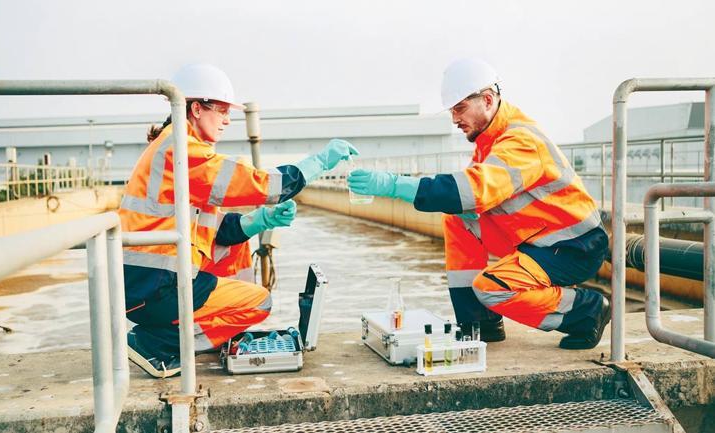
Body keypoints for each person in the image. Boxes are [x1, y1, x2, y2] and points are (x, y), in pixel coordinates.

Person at [348, 58, 610, 350]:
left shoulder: (519, 141)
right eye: (452, 110)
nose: (454, 119)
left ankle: (587, 310)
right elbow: (465, 200)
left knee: (492, 287)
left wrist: (394, 185)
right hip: (541, 239)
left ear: (487, 100)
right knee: (457, 218)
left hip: (573, 247)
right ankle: (480, 323)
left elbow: (470, 191)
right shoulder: (491, 139)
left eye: (459, 108)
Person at [120, 63, 358, 378]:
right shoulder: (181, 150)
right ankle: (158, 343)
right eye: (221, 111)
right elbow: (258, 184)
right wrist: (316, 164)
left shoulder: (174, 146)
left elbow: (213, 230)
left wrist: (259, 221)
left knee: (237, 247)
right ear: (195, 109)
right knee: (259, 303)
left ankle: (198, 331)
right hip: (155, 286)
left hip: (146, 283)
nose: (228, 119)